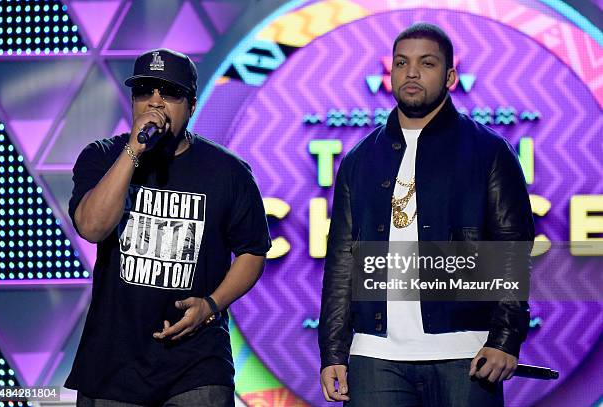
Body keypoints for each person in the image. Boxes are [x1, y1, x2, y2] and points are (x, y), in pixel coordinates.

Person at [319, 23, 534, 406]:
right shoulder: (359, 160)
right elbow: (341, 263)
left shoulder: (488, 151)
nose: (412, 72)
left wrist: (505, 339)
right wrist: (333, 352)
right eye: (401, 63)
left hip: (465, 353)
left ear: (450, 76)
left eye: (427, 63)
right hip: (375, 356)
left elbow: (511, 253)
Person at [65, 48, 271, 407]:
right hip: (113, 364)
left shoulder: (228, 172)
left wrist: (211, 304)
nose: (155, 103)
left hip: (197, 365)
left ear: (191, 105)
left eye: (170, 93)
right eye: (145, 91)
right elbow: (92, 227)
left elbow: (252, 252)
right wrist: (133, 151)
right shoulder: (101, 156)